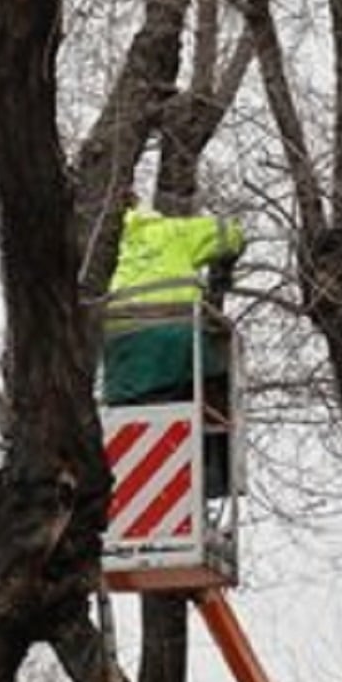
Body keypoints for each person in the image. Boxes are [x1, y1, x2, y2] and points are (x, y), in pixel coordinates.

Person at [102, 201, 247, 495]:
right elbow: (229, 233)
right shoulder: (172, 231)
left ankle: (133, 474)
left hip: (124, 355)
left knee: (133, 413)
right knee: (218, 381)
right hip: (176, 339)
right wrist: (224, 266)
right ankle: (214, 473)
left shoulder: (104, 249)